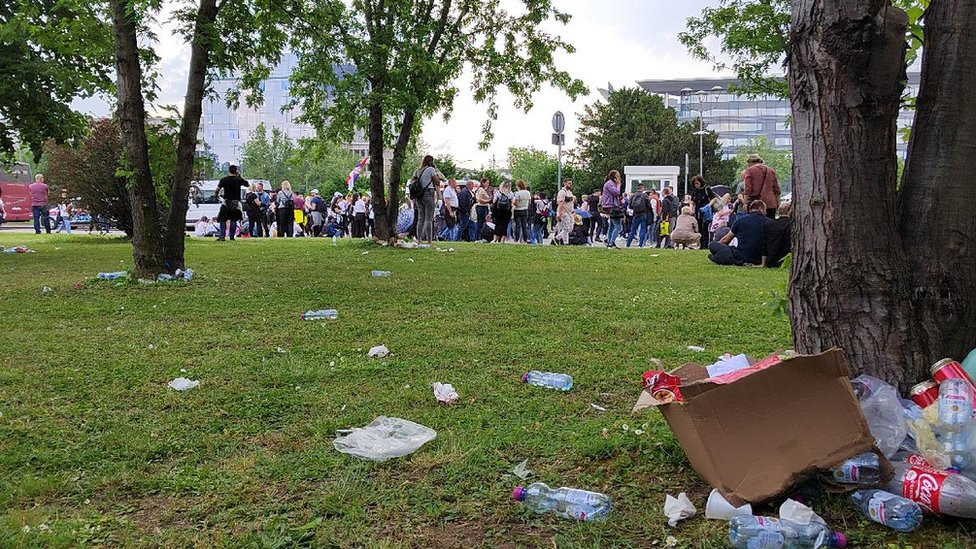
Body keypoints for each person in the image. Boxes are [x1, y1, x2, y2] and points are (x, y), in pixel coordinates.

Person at [708, 200, 768, 266]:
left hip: (741, 256)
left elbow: (725, 240)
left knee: (713, 245)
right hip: (760, 258)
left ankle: (720, 256)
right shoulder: (768, 222)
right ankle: (720, 256)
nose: (766, 212)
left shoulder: (741, 220)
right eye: (765, 209)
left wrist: (720, 247)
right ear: (760, 208)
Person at [743, 154, 781, 219]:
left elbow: (748, 188)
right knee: (769, 222)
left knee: (756, 223)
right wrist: (778, 203)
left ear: (750, 162)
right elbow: (777, 190)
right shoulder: (771, 171)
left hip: (756, 204)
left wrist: (745, 203)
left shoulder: (749, 170)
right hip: (770, 204)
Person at [413, 155, 440, 245]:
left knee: (420, 218)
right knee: (429, 219)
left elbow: (413, 181)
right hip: (428, 193)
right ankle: (429, 241)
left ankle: (419, 239)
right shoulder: (431, 169)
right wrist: (435, 172)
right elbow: (437, 182)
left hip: (419, 195)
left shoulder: (417, 171)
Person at [216, 165, 248, 241]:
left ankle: (222, 236)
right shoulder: (239, 180)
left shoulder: (224, 180)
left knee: (222, 219)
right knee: (234, 219)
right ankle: (232, 236)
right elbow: (247, 184)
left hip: (226, 201)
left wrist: (216, 195)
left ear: (229, 170)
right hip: (235, 202)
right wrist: (240, 176)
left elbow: (217, 189)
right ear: (236, 171)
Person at [764, 201, 793, 268]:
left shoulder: (769, 224)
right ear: (790, 211)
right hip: (786, 259)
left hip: (771, 260)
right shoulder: (791, 225)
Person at [600, 170, 623, 248]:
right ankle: (611, 242)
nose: (619, 177)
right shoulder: (610, 184)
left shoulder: (609, 183)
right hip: (611, 206)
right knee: (619, 227)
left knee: (612, 226)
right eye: (618, 176)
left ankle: (609, 242)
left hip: (610, 205)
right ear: (614, 176)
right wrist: (618, 184)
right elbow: (616, 192)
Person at [626, 184, 650, 248]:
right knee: (643, 229)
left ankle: (628, 244)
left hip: (635, 214)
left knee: (633, 230)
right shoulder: (645, 196)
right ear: (642, 188)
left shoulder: (633, 196)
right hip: (643, 214)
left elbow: (630, 206)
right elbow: (648, 205)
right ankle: (640, 244)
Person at [554, 179, 575, 245]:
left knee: (570, 228)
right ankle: (566, 242)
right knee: (566, 228)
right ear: (565, 183)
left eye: (571, 183)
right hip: (564, 212)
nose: (570, 185)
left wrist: (572, 212)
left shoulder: (570, 192)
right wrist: (559, 214)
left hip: (570, 212)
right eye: (569, 183)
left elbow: (571, 203)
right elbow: (560, 203)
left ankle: (557, 238)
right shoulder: (562, 192)